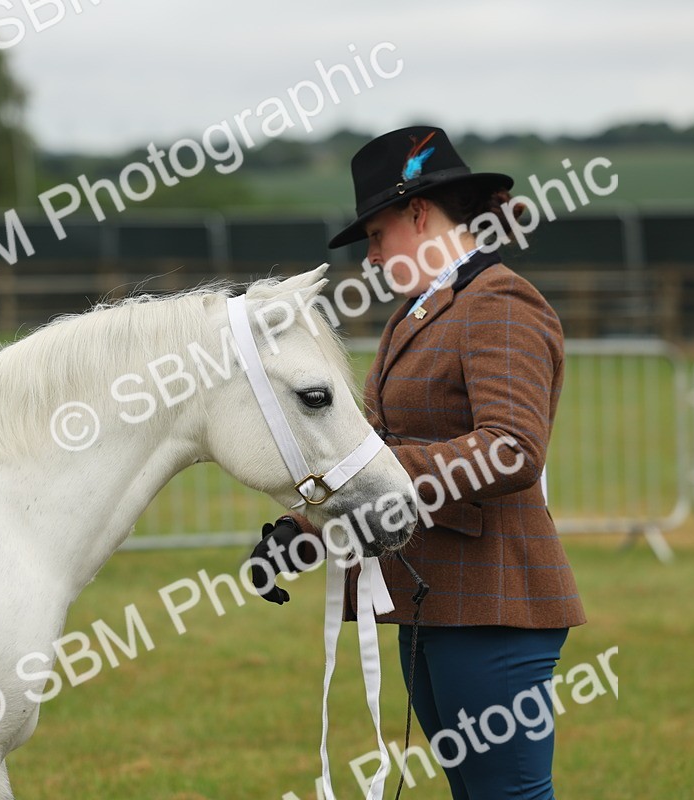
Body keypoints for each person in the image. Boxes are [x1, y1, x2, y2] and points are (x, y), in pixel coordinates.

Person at [247, 127, 586, 800]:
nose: (371, 258)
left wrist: (384, 470)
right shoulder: (416, 312)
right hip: (431, 599)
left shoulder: (500, 303)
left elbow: (512, 448)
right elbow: (372, 443)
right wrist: (304, 529)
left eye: (375, 236)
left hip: (496, 605)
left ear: (419, 214)